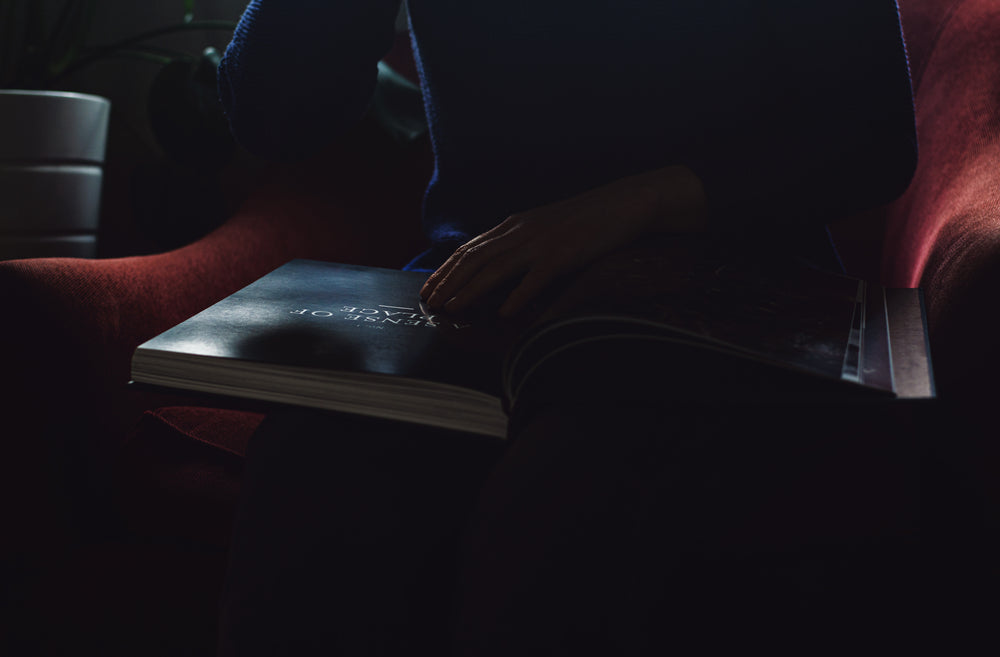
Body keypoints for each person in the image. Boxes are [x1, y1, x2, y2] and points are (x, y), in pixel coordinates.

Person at [215, 1, 918, 655]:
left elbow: (871, 139)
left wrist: (634, 203)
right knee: (314, 467)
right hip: (483, 300)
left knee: (572, 505)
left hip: (726, 294)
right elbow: (278, 118)